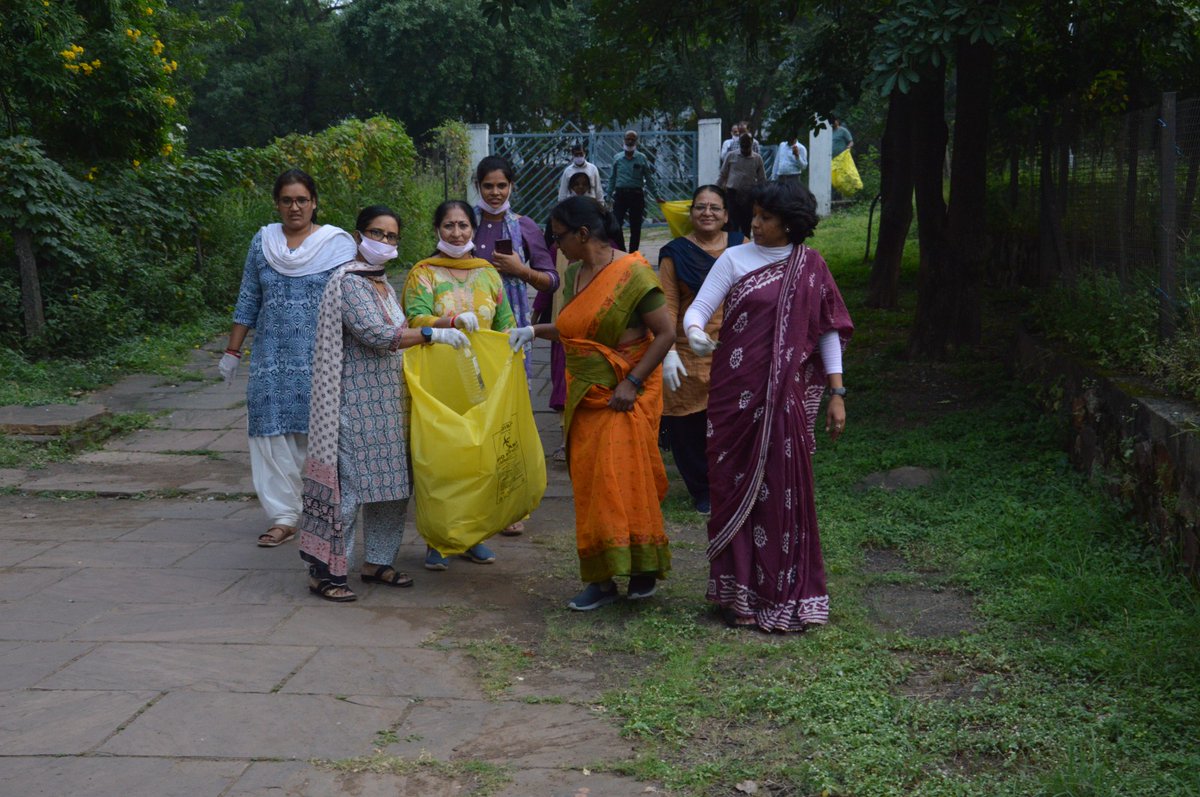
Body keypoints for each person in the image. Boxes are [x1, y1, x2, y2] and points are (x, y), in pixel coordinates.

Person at [682, 182, 853, 632]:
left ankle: (785, 593)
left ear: (790, 225)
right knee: (731, 485)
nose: (754, 224)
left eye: (765, 218)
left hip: (784, 401)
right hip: (732, 398)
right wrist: (696, 331)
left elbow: (826, 330)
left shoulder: (811, 266)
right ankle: (737, 594)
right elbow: (698, 309)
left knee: (783, 490)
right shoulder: (734, 259)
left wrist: (837, 393)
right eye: (754, 215)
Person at [508, 196, 674, 611]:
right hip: (585, 399)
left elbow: (666, 334)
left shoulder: (633, 274)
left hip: (621, 398)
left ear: (583, 234)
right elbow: (573, 330)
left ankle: (641, 569)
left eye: (559, 236)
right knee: (591, 486)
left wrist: (632, 383)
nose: (554, 243)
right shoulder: (577, 273)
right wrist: (532, 331)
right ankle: (601, 579)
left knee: (622, 480)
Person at [298, 206, 470, 602]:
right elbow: (377, 335)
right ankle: (324, 571)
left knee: (392, 488)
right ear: (359, 235)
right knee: (351, 490)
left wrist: (449, 323)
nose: (385, 242)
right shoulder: (349, 282)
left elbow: (400, 327)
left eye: (392, 237)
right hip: (354, 407)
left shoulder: (381, 283)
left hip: (390, 406)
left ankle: (377, 562)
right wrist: (431, 335)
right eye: (378, 233)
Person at [219, 169, 356, 549]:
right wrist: (233, 351)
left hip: (323, 357)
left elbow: (355, 300)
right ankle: (283, 515)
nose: (294, 207)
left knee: (320, 432)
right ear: (277, 204)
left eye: (302, 200)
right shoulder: (263, 242)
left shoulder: (337, 245)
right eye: (286, 200)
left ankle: (319, 507)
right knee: (270, 430)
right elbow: (249, 297)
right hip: (271, 358)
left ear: (314, 202)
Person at [402, 199, 517, 569]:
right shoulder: (423, 273)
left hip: (481, 377)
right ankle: (438, 539)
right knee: (440, 457)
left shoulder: (488, 273)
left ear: (473, 228)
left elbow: (505, 321)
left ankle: (475, 535)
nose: (457, 233)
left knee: (480, 454)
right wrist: (449, 321)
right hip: (437, 376)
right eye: (449, 226)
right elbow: (413, 317)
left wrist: (515, 351)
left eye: (463, 225)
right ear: (438, 229)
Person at [657, 186, 742, 516]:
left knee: (731, 422)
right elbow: (668, 304)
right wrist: (667, 351)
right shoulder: (674, 253)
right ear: (690, 213)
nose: (707, 213)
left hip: (733, 348)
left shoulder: (740, 247)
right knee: (688, 426)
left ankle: (731, 483)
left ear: (726, 215)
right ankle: (702, 489)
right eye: (700, 207)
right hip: (687, 350)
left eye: (715, 208)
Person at [473, 155, 558, 380]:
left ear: (511, 186)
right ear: (477, 186)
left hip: (510, 323)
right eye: (488, 186)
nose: (495, 192)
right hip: (469, 320)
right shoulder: (465, 223)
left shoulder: (524, 226)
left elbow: (552, 281)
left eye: (502, 186)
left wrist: (521, 270)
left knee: (508, 385)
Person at [610, 130, 660, 253]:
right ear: (624, 140)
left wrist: (657, 195)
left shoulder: (642, 158)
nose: (630, 141)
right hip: (620, 195)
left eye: (633, 139)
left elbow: (649, 179)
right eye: (628, 139)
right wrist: (607, 197)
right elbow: (612, 178)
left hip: (636, 195)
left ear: (636, 141)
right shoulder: (617, 158)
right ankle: (621, 251)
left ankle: (633, 254)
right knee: (616, 225)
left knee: (636, 227)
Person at [718, 133, 767, 238]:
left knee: (746, 222)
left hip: (749, 195)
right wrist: (716, 190)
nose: (745, 148)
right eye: (743, 146)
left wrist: (763, 195)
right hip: (732, 193)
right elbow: (723, 174)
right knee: (731, 222)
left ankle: (745, 243)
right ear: (740, 144)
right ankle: (731, 244)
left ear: (751, 144)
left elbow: (762, 179)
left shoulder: (757, 159)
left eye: (747, 146)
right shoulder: (731, 155)